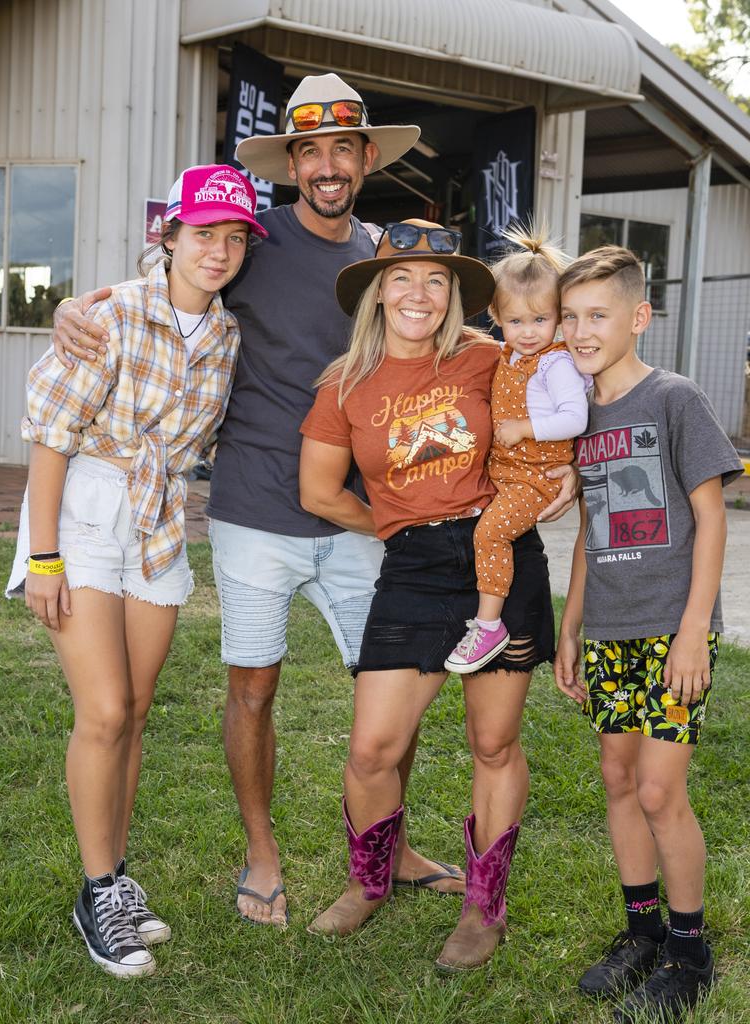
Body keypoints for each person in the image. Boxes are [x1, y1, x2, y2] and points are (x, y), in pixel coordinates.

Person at [49, 74, 576, 928]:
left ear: (365, 157)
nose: (327, 166)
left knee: (384, 687)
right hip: (257, 508)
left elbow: (462, 342)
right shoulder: (254, 247)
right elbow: (173, 275)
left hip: (371, 517)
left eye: (342, 148)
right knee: (253, 688)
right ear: (291, 164)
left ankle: (390, 850)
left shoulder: (388, 255)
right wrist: (81, 300)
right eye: (308, 152)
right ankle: (263, 855)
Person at [5, 164, 268, 976]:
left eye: (233, 238)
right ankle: (95, 893)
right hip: (86, 507)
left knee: (141, 708)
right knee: (107, 708)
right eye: (204, 234)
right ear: (171, 234)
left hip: (158, 519)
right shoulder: (109, 315)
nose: (218, 252)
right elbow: (51, 432)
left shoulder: (228, 336)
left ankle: (115, 880)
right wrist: (43, 555)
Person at [299, 219, 563, 971]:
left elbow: (573, 374)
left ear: (453, 295)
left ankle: (485, 906)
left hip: (500, 555)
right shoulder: (344, 384)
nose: (419, 292)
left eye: (436, 279)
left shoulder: (488, 357)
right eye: (402, 278)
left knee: (493, 742)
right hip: (412, 564)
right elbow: (320, 491)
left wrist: (562, 471)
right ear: (378, 294)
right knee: (372, 749)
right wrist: (394, 523)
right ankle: (370, 882)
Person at [553, 246, 742, 1023]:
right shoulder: (576, 413)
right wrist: (570, 626)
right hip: (608, 628)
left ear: (638, 318)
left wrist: (695, 630)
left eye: (596, 315)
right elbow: (589, 528)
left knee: (663, 791)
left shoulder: (675, 398)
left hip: (673, 628)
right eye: (569, 316)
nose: (579, 330)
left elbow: (711, 517)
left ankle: (689, 950)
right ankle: (642, 933)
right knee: (619, 779)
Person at [444, 226, 588, 674]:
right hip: (505, 472)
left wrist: (526, 426)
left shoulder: (556, 362)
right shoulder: (506, 353)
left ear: (560, 317)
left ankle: (489, 627)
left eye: (540, 320)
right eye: (516, 321)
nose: (528, 333)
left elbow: (575, 418)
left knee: (491, 534)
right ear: (496, 315)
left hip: (535, 477)